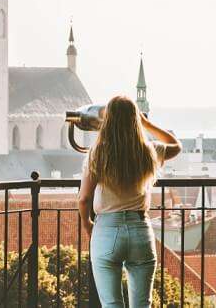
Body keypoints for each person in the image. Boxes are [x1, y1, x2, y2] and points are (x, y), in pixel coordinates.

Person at [77, 96, 181, 307]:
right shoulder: (148, 151)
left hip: (107, 229)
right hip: (140, 229)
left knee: (111, 304)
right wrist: (148, 124)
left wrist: (87, 223)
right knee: (143, 304)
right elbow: (176, 145)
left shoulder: (98, 153)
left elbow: (84, 198)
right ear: (136, 120)